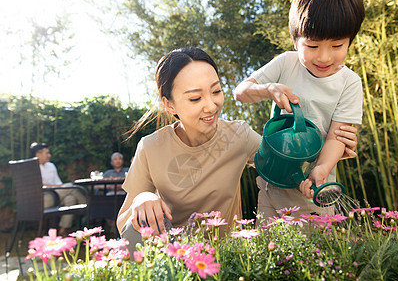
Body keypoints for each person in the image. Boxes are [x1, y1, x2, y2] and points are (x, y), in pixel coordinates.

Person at [117, 47, 358, 251]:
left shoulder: (238, 135)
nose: (211, 106)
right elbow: (125, 224)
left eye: (216, 91)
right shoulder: (150, 147)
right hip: (172, 256)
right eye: (195, 98)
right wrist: (143, 197)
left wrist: (330, 149)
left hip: (228, 258)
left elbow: (283, 167)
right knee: (137, 228)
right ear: (169, 104)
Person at [234, 0, 364, 218]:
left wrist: (322, 169)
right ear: (295, 41)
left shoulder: (350, 82)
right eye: (312, 46)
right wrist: (268, 89)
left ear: (350, 41)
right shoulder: (286, 63)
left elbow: (339, 136)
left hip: (313, 188)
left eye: (337, 45)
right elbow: (240, 92)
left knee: (313, 252)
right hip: (272, 178)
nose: (324, 57)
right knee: (268, 247)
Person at [30, 142, 86, 235]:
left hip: (56, 196)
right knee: (72, 186)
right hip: (42, 199)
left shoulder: (51, 166)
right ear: (38, 155)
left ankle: (62, 232)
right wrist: (55, 187)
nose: (49, 155)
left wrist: (57, 187)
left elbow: (59, 184)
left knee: (70, 199)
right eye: (47, 153)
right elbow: (37, 186)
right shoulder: (31, 167)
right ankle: (88, 208)